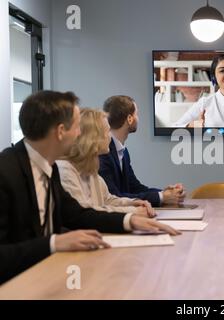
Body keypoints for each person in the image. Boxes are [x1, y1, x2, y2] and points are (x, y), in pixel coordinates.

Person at [0, 91, 180, 284]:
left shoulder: (48, 167)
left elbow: (78, 214)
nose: (81, 133)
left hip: (44, 277)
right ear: (60, 132)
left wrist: (130, 220)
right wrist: (54, 243)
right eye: (77, 127)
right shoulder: (6, 172)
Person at [57, 108, 157, 217]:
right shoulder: (66, 171)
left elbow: (107, 200)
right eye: (107, 131)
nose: (110, 136)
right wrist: (133, 211)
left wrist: (133, 202)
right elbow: (85, 213)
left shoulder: (90, 169)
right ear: (93, 137)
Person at [99, 95, 185, 207]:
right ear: (130, 119)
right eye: (136, 114)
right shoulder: (103, 153)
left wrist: (164, 193)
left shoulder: (123, 152)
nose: (138, 118)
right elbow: (114, 197)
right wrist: (162, 197)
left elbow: (134, 187)